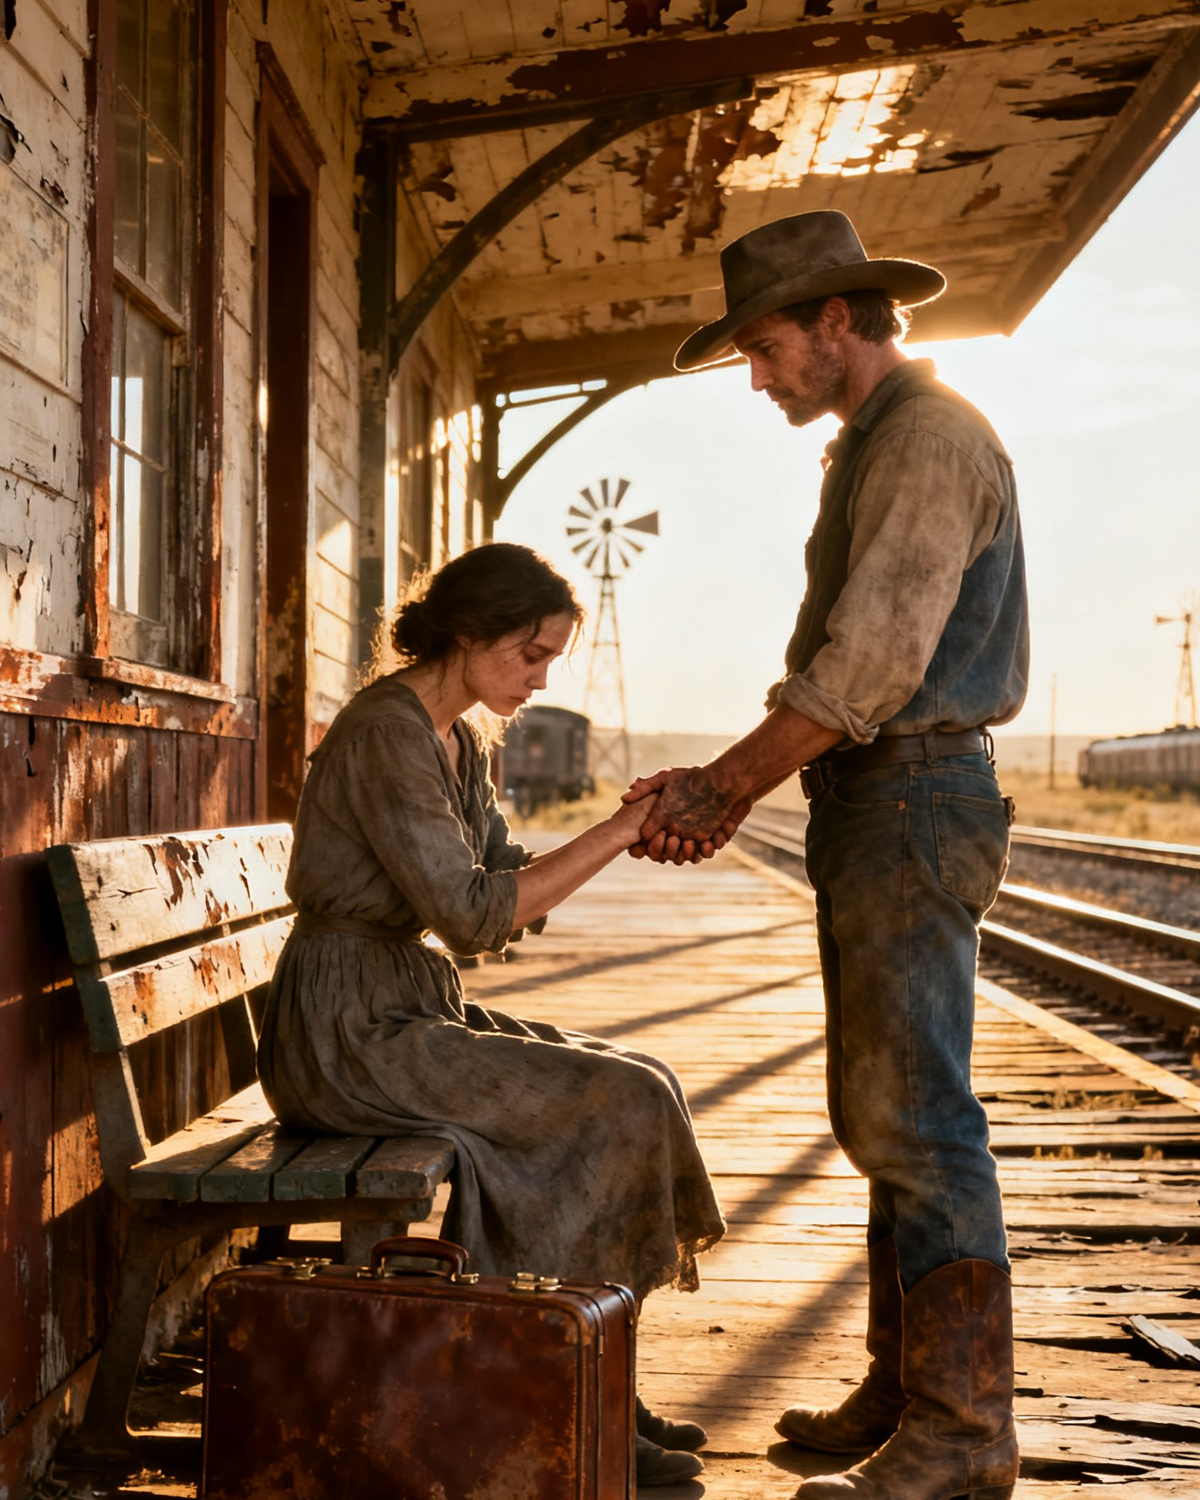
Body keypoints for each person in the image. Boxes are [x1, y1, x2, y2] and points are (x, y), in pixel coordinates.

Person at [628, 211, 1028, 1500]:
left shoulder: (924, 440)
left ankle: (963, 1436)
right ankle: (909, 1387)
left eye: (765, 347)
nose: (756, 376)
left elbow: (868, 666)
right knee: (881, 1110)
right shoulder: (877, 442)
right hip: (882, 799)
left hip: (911, 796)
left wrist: (727, 784)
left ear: (838, 324)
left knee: (916, 1114)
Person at [257, 543, 726, 1487]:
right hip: (346, 1034)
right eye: (530, 652)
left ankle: (592, 1368)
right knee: (609, 1100)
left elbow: (506, 877)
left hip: (403, 1006)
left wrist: (637, 824)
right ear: (467, 636)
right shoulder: (387, 730)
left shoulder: (459, 735)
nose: (542, 676)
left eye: (552, 656)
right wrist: (619, 831)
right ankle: (552, 1378)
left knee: (646, 1083)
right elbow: (472, 916)